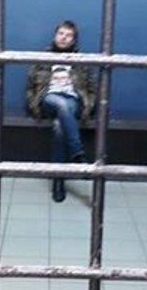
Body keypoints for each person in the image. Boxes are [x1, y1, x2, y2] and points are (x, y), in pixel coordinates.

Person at [25, 20, 96, 202]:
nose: (64, 38)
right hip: (48, 99)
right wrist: (33, 104)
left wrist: (88, 105)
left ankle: (58, 181)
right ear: (55, 35)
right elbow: (30, 86)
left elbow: (92, 89)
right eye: (61, 33)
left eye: (69, 35)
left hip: (73, 100)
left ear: (74, 40)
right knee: (61, 105)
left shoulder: (82, 60)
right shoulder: (42, 58)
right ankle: (77, 153)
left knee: (59, 126)